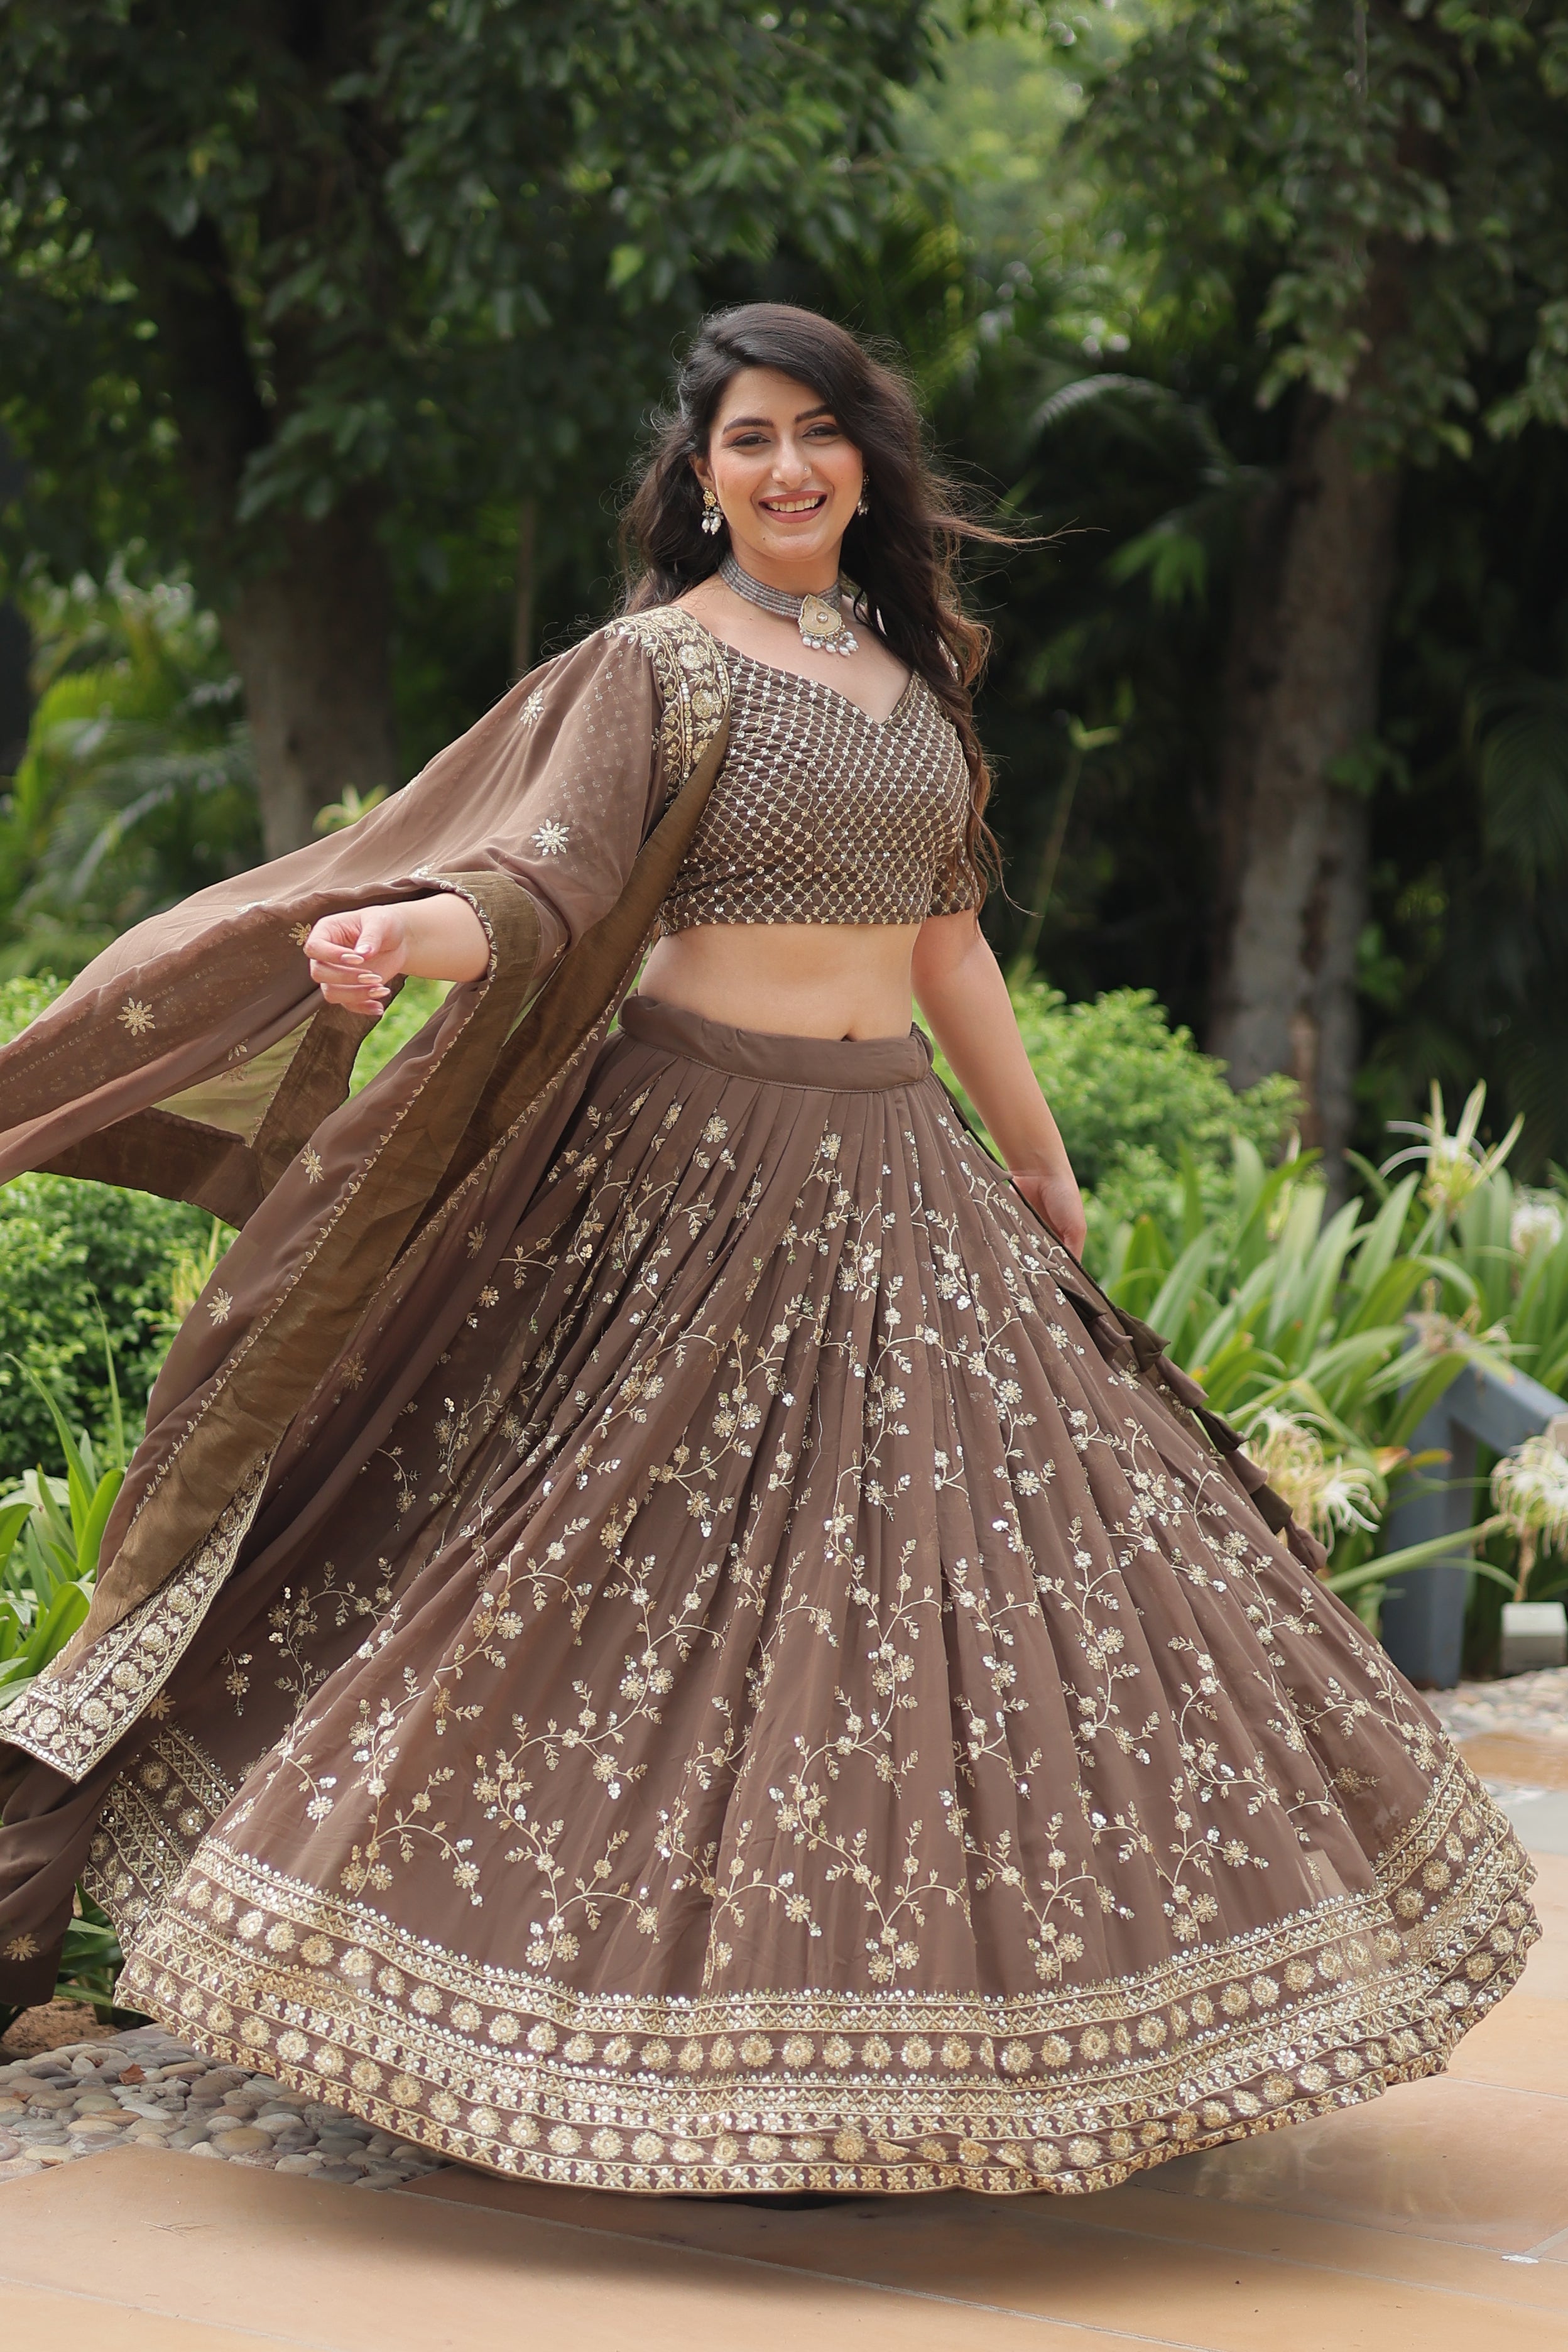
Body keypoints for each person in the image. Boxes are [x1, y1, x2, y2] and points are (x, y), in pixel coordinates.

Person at [0, 305, 1535, 2199]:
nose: (788, 468)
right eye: (748, 441)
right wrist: (403, 941)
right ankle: (562, 2027)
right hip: (689, 1172)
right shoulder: (657, 669)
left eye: (820, 433)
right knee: (641, 1585)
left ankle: (912, 2050)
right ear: (700, 475)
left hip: (903, 1171)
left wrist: (1037, 1157)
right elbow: (548, 887)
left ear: (870, 461)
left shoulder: (916, 669)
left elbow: (951, 934)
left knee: (960, 1592)